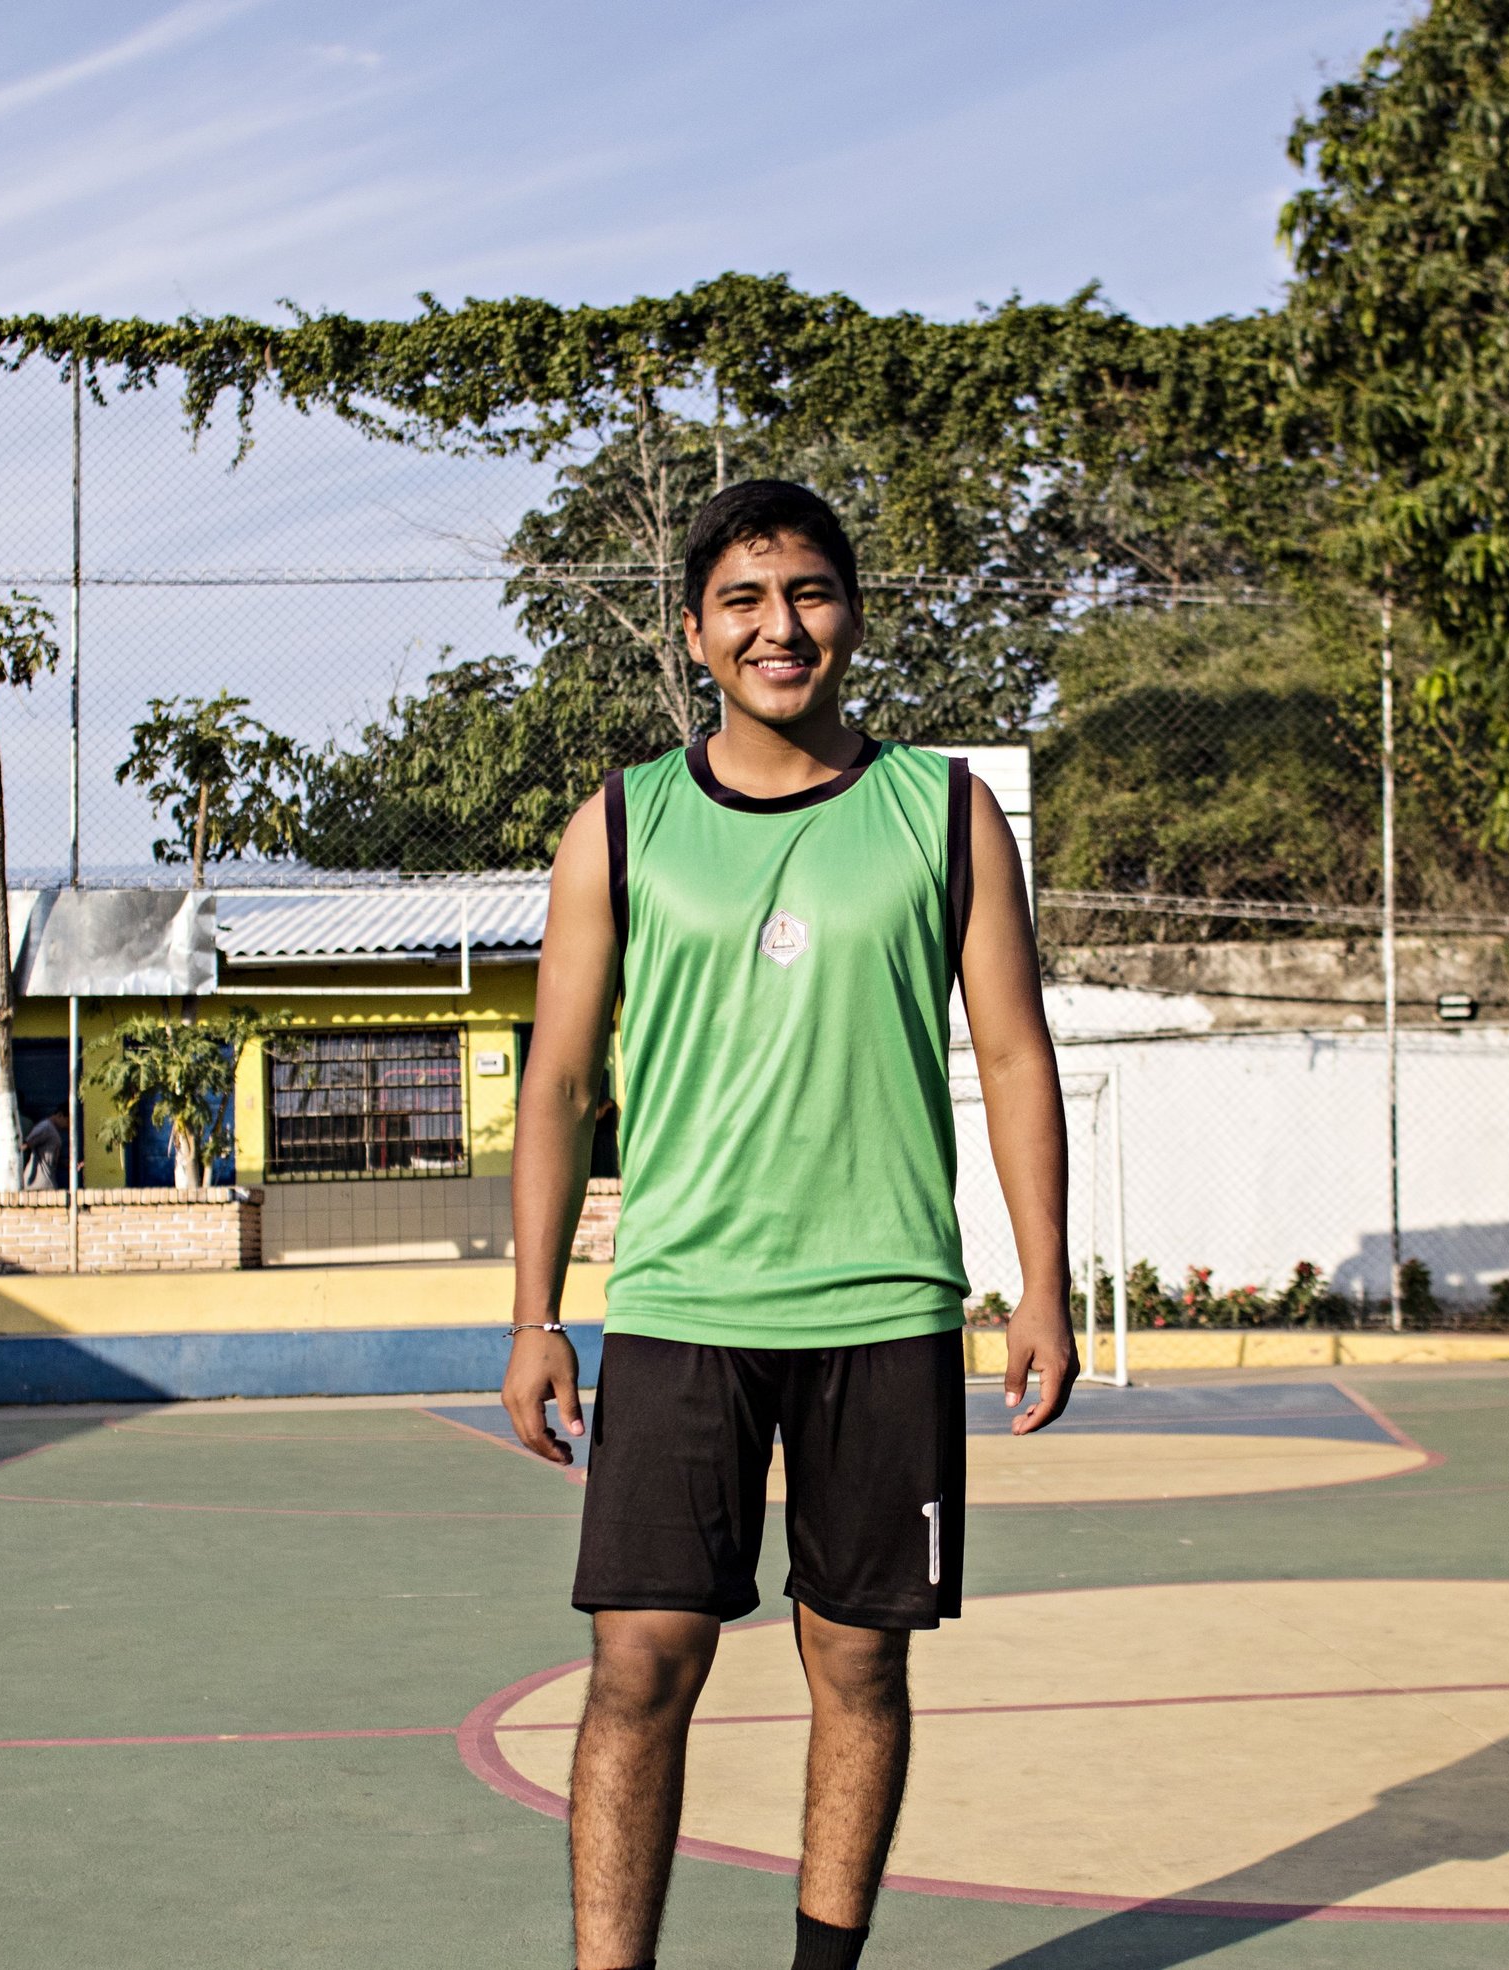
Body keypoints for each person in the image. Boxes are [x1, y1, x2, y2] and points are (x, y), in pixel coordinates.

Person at [502, 480, 1074, 1970]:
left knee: (860, 1661)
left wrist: (1044, 1286)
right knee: (639, 1662)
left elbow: (1016, 1055)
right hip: (682, 1303)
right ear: (696, 632)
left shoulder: (944, 810)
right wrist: (534, 1314)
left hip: (883, 1304)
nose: (781, 626)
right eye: (744, 601)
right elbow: (557, 1083)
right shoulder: (620, 823)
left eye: (810, 592)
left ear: (853, 616)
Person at [21, 1106, 71, 1190]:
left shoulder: (52, 1129)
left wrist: (68, 1164)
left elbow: (49, 1158)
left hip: (47, 1182)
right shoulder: (45, 1127)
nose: (68, 1126)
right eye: (67, 1122)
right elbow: (25, 1145)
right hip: (37, 1184)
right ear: (60, 1115)